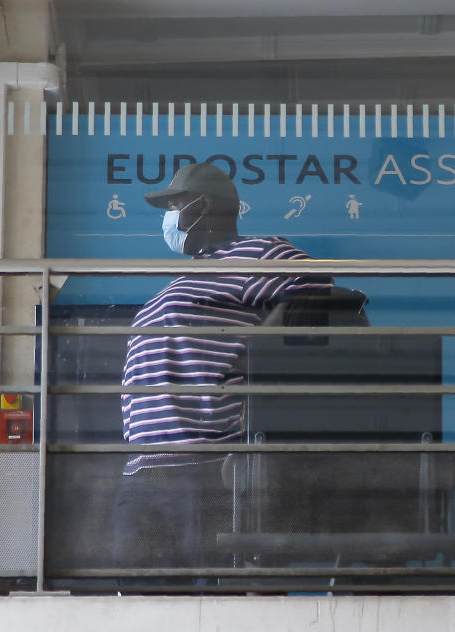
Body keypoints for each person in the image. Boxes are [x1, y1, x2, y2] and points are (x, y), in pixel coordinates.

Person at [113, 163, 333, 571]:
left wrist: (259, 347)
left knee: (207, 604)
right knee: (138, 606)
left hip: (204, 466)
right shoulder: (185, 279)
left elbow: (319, 287)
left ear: (204, 205)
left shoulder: (256, 252)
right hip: (143, 469)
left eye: (175, 204)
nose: (170, 216)